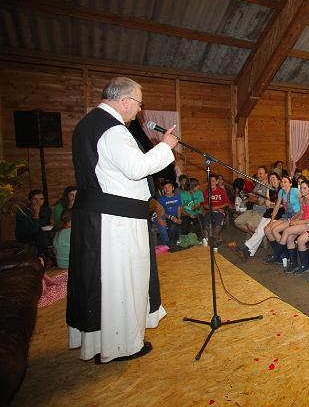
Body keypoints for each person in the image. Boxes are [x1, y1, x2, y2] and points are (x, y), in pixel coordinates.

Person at [68, 76, 177, 363]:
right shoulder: (113, 130)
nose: (139, 110)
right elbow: (135, 168)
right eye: (139, 104)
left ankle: (104, 341)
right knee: (124, 279)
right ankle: (122, 345)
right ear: (125, 100)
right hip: (117, 220)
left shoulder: (88, 124)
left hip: (103, 215)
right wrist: (165, 146)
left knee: (104, 281)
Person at [280, 180, 309, 270]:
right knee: (289, 238)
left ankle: (278, 253)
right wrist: (295, 219)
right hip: (304, 222)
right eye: (301, 188)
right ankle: (294, 263)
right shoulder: (303, 198)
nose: (302, 190)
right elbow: (301, 212)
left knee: (287, 230)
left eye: (305, 188)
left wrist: (297, 222)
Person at [264, 175, 300, 264]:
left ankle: (281, 254)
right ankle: (281, 254)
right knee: (267, 230)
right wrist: (272, 221)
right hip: (286, 215)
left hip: (296, 217)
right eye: (282, 182)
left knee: (275, 230)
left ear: (290, 184)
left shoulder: (295, 191)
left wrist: (296, 218)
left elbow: (302, 205)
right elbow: (276, 206)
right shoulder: (281, 192)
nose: (282, 184)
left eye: (285, 182)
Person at [15, 189, 53, 259]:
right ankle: (44, 256)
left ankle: (48, 255)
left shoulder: (46, 210)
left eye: (41, 199)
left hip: (39, 233)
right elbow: (33, 230)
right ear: (30, 200)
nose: (38, 202)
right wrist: (36, 214)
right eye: (35, 199)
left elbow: (42, 226)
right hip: (24, 235)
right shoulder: (22, 212)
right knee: (42, 236)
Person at [233, 166, 270, 234]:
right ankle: (255, 237)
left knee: (249, 225)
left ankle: (258, 237)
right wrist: (254, 199)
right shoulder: (258, 184)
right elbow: (250, 198)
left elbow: (260, 202)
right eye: (257, 173)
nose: (258, 175)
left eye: (260, 174)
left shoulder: (268, 186)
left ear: (266, 174)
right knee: (236, 222)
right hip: (253, 210)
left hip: (262, 213)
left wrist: (253, 199)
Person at [157, 181, 184, 251]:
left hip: (176, 216)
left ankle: (176, 243)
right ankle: (171, 244)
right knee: (172, 226)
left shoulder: (177, 197)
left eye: (169, 187)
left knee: (180, 225)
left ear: (173, 188)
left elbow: (179, 208)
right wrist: (171, 218)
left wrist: (179, 218)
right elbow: (161, 212)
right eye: (165, 188)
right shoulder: (161, 199)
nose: (167, 189)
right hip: (167, 217)